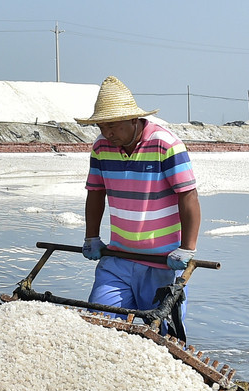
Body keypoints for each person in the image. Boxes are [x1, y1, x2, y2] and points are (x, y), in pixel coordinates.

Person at [75, 76, 201, 334]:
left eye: (113, 126)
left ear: (134, 119)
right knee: (100, 325)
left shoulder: (165, 145)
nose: (107, 133)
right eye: (101, 126)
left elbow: (188, 196)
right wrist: (92, 237)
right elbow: (96, 193)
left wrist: (187, 248)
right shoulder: (101, 147)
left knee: (161, 333)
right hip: (117, 257)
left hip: (162, 262)